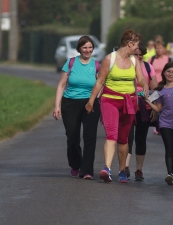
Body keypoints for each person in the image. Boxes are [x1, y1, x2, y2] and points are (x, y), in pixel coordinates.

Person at [85, 29, 149, 183]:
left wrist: (145, 86)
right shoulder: (109, 59)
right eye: (136, 45)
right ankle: (106, 168)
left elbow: (140, 78)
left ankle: (121, 170)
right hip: (110, 100)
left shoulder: (134, 60)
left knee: (123, 138)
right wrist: (91, 101)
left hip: (129, 102)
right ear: (129, 44)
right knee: (111, 134)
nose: (137, 49)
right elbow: (100, 81)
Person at [53, 36, 101, 180]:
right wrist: (57, 106)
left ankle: (87, 171)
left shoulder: (97, 65)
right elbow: (62, 85)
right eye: (85, 47)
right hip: (70, 103)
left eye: (90, 47)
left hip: (91, 103)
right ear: (79, 48)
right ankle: (75, 164)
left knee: (90, 136)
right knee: (72, 137)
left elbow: (100, 87)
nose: (88, 50)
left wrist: (100, 104)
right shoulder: (71, 62)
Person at [145, 62, 173, 185]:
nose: (170, 74)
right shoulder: (160, 90)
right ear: (164, 73)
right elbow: (158, 108)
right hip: (165, 123)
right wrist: (148, 101)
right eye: (168, 71)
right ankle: (170, 173)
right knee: (169, 147)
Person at [126, 43, 158, 181]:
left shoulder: (147, 67)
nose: (138, 57)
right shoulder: (125, 66)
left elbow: (155, 89)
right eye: (136, 54)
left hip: (145, 107)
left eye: (141, 55)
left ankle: (139, 169)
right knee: (127, 138)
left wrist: (156, 109)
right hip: (128, 105)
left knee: (141, 138)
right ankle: (125, 167)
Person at [148, 40, 171, 135]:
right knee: (156, 106)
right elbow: (146, 71)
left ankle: (164, 125)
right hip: (154, 86)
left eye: (160, 48)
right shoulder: (151, 59)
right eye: (157, 48)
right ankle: (157, 125)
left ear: (164, 49)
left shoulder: (167, 59)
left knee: (164, 106)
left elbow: (172, 71)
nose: (158, 50)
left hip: (164, 85)